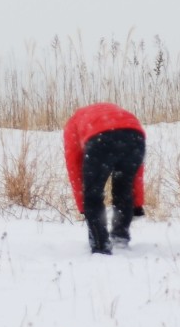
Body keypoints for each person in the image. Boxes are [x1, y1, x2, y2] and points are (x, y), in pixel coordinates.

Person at [63, 103, 146, 255]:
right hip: (135, 136)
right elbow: (137, 173)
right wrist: (137, 204)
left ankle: (101, 246)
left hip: (101, 139)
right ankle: (120, 238)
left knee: (93, 194)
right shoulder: (119, 113)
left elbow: (74, 165)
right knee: (124, 188)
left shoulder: (73, 123)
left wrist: (84, 206)